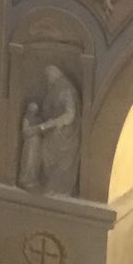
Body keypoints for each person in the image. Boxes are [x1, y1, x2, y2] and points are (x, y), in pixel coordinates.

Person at [17, 64, 82, 197]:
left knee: (53, 150)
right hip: (53, 129)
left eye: (49, 76)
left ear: (55, 74)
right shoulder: (54, 89)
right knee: (39, 145)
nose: (48, 79)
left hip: (65, 132)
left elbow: (70, 114)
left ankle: (58, 188)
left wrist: (51, 124)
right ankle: (38, 181)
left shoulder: (66, 90)